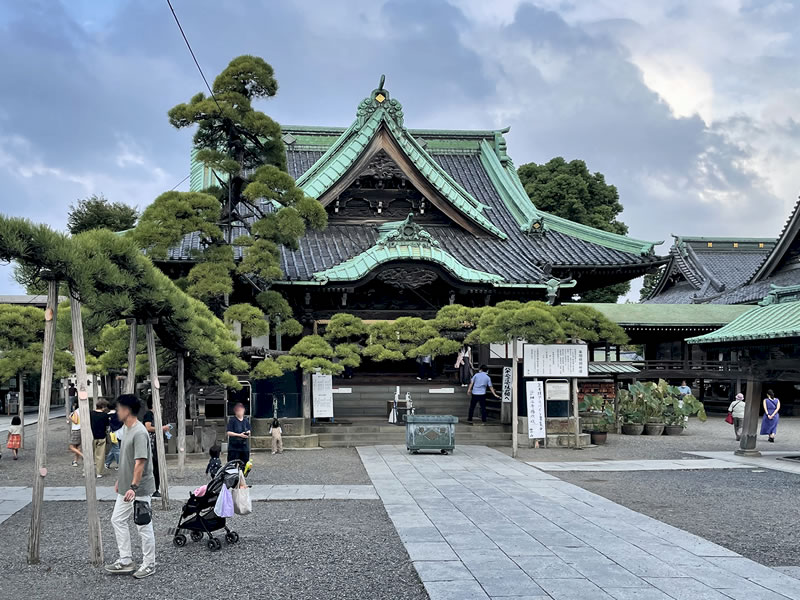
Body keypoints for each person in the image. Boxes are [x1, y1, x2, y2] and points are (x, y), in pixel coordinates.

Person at [105, 394, 157, 579]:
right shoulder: (126, 429)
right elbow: (127, 460)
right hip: (126, 487)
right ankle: (126, 560)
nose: (117, 411)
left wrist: (133, 487)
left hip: (139, 488)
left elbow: (140, 463)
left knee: (143, 525)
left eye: (119, 408)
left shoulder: (140, 432)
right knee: (117, 520)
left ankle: (149, 564)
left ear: (127, 410)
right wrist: (121, 480)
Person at [143, 399, 169, 498]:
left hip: (156, 442)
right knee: (154, 466)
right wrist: (162, 428)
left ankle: (155, 487)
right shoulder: (149, 414)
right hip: (152, 443)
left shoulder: (155, 415)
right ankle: (153, 488)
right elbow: (148, 427)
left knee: (156, 466)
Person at [90, 399, 110, 478]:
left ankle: (86, 470)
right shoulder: (105, 415)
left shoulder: (91, 414)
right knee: (100, 456)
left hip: (91, 436)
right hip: (101, 436)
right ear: (103, 407)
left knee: (89, 454)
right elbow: (107, 426)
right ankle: (99, 472)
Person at [105, 401, 124, 471]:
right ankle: (107, 463)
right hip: (121, 432)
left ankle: (119, 464)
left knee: (116, 448)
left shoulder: (107, 416)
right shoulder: (119, 415)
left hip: (112, 433)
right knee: (116, 448)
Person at [67, 401, 83, 467]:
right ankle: (75, 461)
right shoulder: (82, 410)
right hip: (81, 429)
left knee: (71, 447)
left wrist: (70, 418)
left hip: (75, 430)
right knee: (77, 447)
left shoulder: (76, 411)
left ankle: (83, 455)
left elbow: (76, 421)